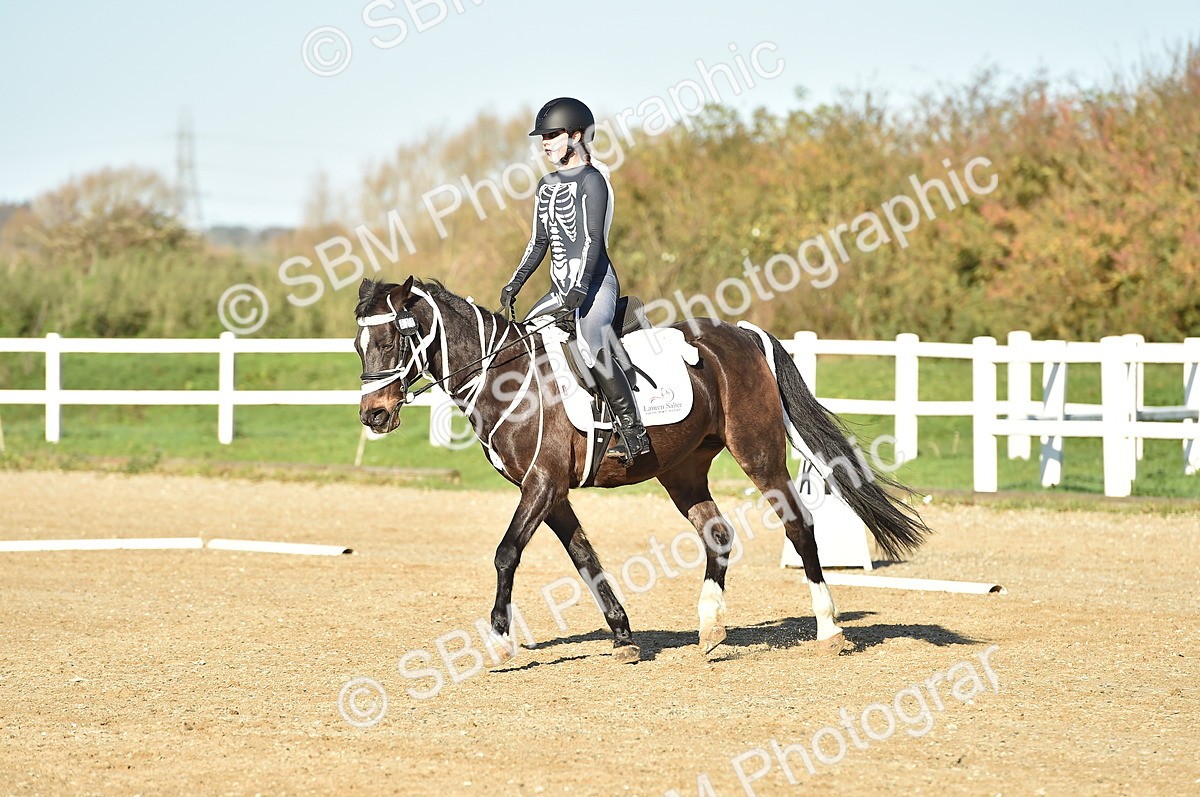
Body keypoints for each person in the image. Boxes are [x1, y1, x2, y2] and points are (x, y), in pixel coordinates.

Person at [499, 97, 650, 466]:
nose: (545, 143)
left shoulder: (593, 180)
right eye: (543, 137)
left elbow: (592, 241)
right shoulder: (546, 185)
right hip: (560, 290)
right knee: (522, 340)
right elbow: (538, 243)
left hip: (595, 285)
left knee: (590, 344)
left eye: (553, 135)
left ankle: (634, 433)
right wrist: (514, 284)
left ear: (577, 135)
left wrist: (580, 290)